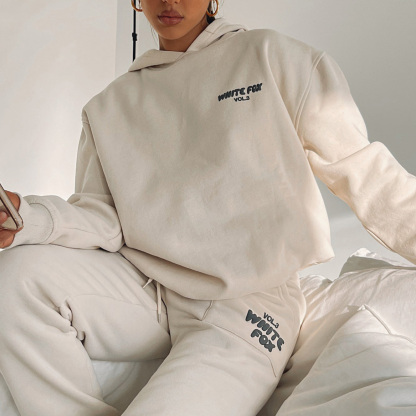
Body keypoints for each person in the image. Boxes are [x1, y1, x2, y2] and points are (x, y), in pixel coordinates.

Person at [1, 0, 415, 415]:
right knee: (15, 276)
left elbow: (366, 174)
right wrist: (24, 216)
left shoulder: (273, 57)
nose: (170, 1)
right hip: (145, 290)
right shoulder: (108, 107)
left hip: (247, 303)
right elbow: (103, 216)